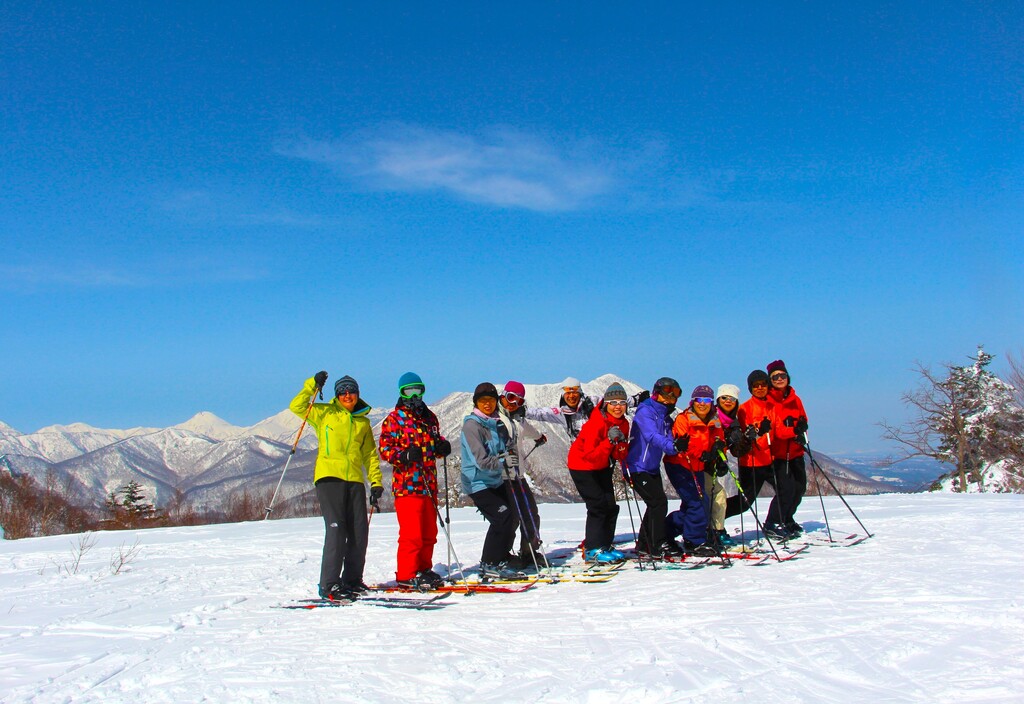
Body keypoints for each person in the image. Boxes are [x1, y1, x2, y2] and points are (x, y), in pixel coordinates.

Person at [291, 371, 382, 600]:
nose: (347, 395)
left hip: (354, 480)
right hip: (329, 478)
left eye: (351, 391)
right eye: (342, 391)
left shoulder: (362, 422)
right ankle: (329, 584)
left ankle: (352, 580)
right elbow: (297, 406)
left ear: (358, 394)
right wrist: (312, 385)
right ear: (337, 395)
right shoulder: (325, 413)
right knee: (337, 529)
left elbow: (370, 454)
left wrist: (376, 481)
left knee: (359, 532)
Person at [377, 372, 452, 589]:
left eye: (417, 390)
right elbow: (385, 449)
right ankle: (406, 574)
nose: (414, 396)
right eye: (409, 391)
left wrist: (441, 446)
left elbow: (435, 440)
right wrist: (404, 455)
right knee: (412, 533)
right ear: (402, 393)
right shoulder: (394, 419)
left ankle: (423, 568)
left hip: (429, 483)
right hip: (408, 485)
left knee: (429, 532)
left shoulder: (430, 418)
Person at [460, 382, 525, 580]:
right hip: (477, 482)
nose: (487, 404)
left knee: (511, 517)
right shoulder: (472, 426)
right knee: (502, 518)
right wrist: (504, 461)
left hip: (495, 480)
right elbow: (481, 461)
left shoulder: (496, 423)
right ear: (476, 403)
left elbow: (505, 448)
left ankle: (500, 557)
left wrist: (510, 453)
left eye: (491, 400)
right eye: (482, 401)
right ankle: (489, 563)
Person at [567, 382, 631, 563]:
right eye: (613, 403)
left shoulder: (623, 424)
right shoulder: (596, 423)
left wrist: (620, 444)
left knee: (611, 506)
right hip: (582, 466)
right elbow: (590, 456)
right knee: (598, 506)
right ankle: (592, 549)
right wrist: (609, 442)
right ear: (606, 404)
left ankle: (605, 545)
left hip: (603, 465)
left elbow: (619, 454)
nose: (618, 407)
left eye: (622, 402)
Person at [624, 377, 687, 558]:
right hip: (637, 467)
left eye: (674, 395)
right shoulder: (645, 411)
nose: (670, 398)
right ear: (656, 393)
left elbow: (669, 439)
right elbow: (651, 435)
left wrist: (678, 445)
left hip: (651, 467)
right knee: (658, 503)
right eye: (667, 393)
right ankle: (656, 544)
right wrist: (672, 446)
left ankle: (644, 544)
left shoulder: (666, 417)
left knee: (655, 505)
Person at [728, 369, 791, 540]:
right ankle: (712, 519)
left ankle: (772, 523)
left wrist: (795, 431)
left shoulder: (771, 407)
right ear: (750, 388)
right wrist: (757, 433)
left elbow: (779, 430)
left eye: (763, 384)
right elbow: (742, 437)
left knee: (786, 489)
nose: (760, 388)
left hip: (769, 460)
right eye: (756, 386)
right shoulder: (744, 409)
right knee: (743, 503)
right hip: (751, 463)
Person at [663, 385, 725, 557]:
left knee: (694, 505)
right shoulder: (684, 419)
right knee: (698, 502)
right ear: (693, 402)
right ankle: (694, 541)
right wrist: (703, 454)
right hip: (680, 464)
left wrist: (720, 457)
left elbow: (719, 441)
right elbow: (683, 444)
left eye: (706, 400)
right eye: (699, 400)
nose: (702, 404)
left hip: (697, 466)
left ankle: (664, 531)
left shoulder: (714, 421)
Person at [497, 380, 547, 568]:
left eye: (519, 401)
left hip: (518, 475)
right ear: (503, 395)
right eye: (511, 398)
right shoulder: (494, 417)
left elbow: (530, 430)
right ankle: (502, 554)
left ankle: (529, 551)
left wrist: (539, 437)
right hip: (501, 476)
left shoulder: (519, 419)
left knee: (531, 513)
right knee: (511, 517)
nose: (514, 403)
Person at [527, 377, 648, 441]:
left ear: (580, 393)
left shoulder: (593, 402)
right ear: (563, 396)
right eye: (568, 393)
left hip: (601, 454)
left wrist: (635, 400)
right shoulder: (561, 413)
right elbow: (540, 413)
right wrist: (522, 411)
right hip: (581, 457)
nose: (571, 396)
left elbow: (613, 401)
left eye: (575, 393)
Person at [766, 360, 809, 537]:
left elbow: (803, 419)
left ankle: (787, 518)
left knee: (799, 488)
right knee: (786, 489)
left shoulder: (795, 399)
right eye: (775, 377)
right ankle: (772, 522)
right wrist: (793, 430)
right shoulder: (768, 400)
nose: (779, 379)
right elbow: (777, 430)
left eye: (782, 375)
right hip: (778, 454)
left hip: (796, 451)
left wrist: (802, 430)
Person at [710, 383, 746, 547]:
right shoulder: (710, 416)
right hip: (700, 464)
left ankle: (714, 530)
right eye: (724, 397)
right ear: (718, 399)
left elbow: (737, 450)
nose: (728, 401)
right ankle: (714, 531)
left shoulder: (733, 423)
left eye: (732, 398)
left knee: (715, 497)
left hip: (714, 464)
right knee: (716, 496)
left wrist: (747, 440)